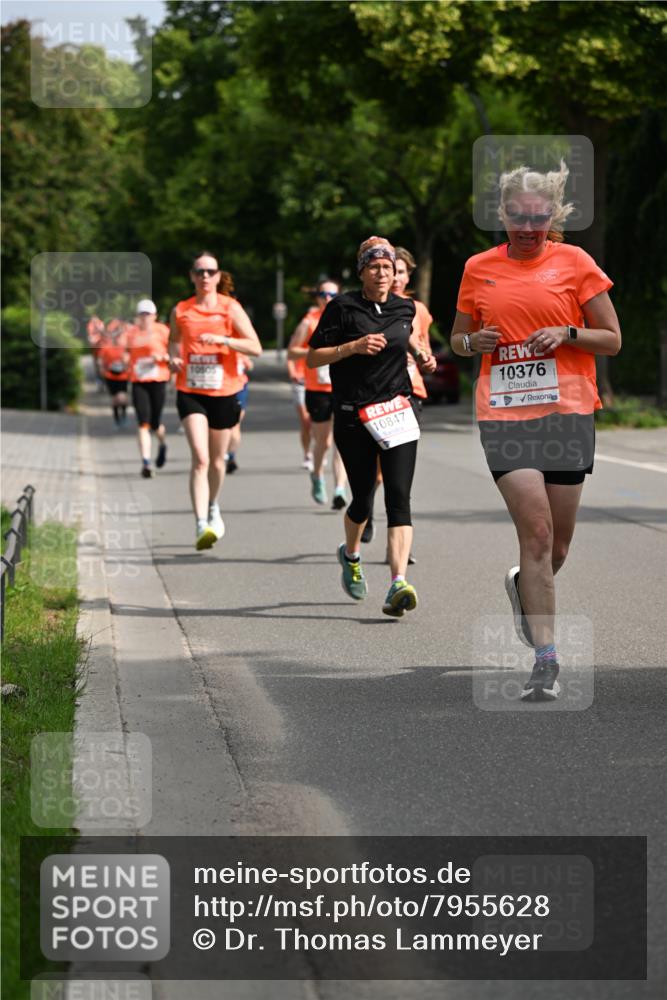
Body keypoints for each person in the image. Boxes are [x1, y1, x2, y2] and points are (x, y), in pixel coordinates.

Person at [451, 159, 621, 701]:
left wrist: (568, 332)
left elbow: (612, 339)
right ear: (502, 214)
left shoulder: (575, 262)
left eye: (538, 217)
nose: (528, 228)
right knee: (539, 534)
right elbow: (458, 337)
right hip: (505, 416)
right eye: (518, 217)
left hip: (567, 414)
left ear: (554, 215)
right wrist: (468, 345)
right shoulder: (478, 267)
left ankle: (524, 586)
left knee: (560, 546)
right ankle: (546, 659)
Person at [307, 237, 436, 617]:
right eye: (376, 267)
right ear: (363, 270)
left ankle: (398, 582)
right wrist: (353, 347)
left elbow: (408, 338)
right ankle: (350, 555)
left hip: (396, 409)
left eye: (390, 268)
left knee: (399, 496)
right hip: (352, 413)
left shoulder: (405, 307)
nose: (384, 274)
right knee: (363, 496)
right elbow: (314, 356)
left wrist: (422, 358)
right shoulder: (342, 307)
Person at [169, 252, 263, 550]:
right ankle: (200, 524)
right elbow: (173, 341)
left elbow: (255, 347)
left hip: (224, 392)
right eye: (200, 272)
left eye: (210, 272)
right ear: (192, 276)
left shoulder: (229, 308)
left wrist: (223, 341)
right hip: (191, 390)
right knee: (200, 457)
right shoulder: (181, 310)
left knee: (218, 461)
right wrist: (173, 359)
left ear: (219, 276)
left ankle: (212, 504)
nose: (205, 277)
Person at [362, 247, 432, 557]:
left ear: (406, 275)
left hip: (410, 392)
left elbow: (424, 348)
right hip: (377, 394)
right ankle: (363, 509)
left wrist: (424, 358)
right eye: (393, 271)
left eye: (402, 272)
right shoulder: (372, 307)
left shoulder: (418, 309)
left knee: (400, 473)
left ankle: (399, 543)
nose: (396, 278)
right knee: (377, 471)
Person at [288, 280, 348, 509]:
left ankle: (340, 489)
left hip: (341, 387)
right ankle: (317, 474)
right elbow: (292, 351)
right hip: (317, 389)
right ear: (317, 297)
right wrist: (317, 353)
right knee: (323, 440)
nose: (327, 298)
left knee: (341, 441)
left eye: (333, 294)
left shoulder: (345, 316)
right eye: (323, 294)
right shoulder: (309, 320)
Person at [126, 300, 170, 478]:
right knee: (143, 422)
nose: (144, 318)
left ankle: (162, 443)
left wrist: (162, 357)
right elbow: (125, 353)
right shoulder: (131, 333)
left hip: (158, 379)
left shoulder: (162, 331)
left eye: (148, 314)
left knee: (155, 423)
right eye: (141, 314)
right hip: (139, 381)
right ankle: (146, 462)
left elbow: (174, 354)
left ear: (155, 316)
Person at [97, 320, 129, 428]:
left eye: (118, 335)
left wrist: (126, 364)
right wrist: (102, 369)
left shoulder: (125, 348)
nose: (117, 337)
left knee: (123, 398)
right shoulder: (106, 347)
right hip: (110, 376)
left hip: (123, 376)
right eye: (114, 335)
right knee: (115, 399)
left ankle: (124, 415)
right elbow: (100, 360)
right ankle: (117, 419)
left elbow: (130, 360)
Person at [225, 354, 253, 474]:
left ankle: (228, 455)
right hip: (223, 388)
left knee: (233, 425)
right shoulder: (237, 342)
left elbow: (250, 365)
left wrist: (245, 363)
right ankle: (228, 455)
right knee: (232, 425)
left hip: (238, 387)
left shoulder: (236, 345)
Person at [286, 352, 313, 470]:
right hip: (301, 381)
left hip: (322, 383)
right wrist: (292, 372)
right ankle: (307, 454)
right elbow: (291, 354)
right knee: (306, 421)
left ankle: (319, 449)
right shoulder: (302, 333)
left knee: (319, 423)